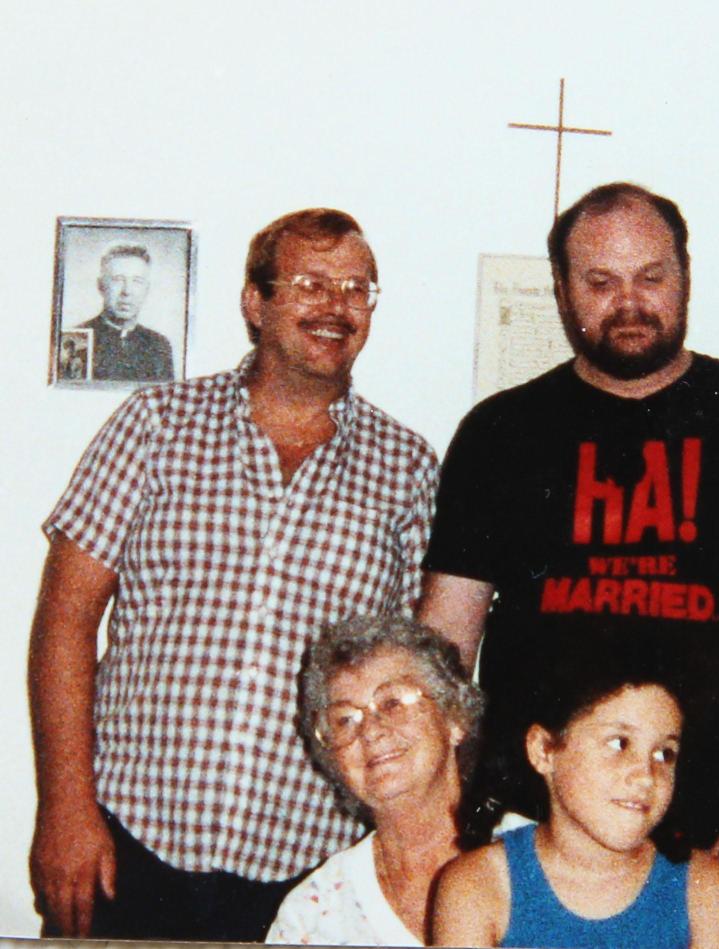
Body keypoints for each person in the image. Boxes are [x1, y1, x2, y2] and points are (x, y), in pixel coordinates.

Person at [419, 182, 719, 947]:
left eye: (651, 276)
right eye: (600, 282)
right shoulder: (499, 433)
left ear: (686, 276)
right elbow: (443, 647)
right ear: (563, 292)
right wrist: (436, 822)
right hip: (528, 863)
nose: (628, 301)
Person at [28, 209, 438, 941]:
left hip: (313, 870)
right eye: (310, 282)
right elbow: (65, 616)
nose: (335, 306)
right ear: (256, 303)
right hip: (127, 841)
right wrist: (64, 806)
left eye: (356, 288)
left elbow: (419, 681)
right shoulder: (156, 425)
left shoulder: (407, 468)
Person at [433, 653, 719, 948]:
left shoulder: (704, 890)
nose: (647, 776)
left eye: (665, 754)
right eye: (620, 743)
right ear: (543, 750)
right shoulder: (478, 887)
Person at [267, 614, 484, 947]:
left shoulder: (540, 861)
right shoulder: (313, 913)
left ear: (454, 717)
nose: (370, 730)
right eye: (345, 720)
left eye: (393, 702)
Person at [77, 243, 175, 382]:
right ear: (101, 286)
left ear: (146, 289)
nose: (127, 291)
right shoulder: (78, 339)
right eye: (118, 280)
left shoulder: (159, 346)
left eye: (137, 281)